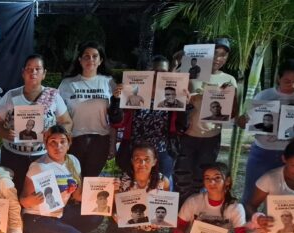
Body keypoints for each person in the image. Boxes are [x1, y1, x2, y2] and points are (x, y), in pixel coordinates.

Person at [237, 59, 294, 206]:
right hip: (262, 153)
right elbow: (242, 122)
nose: (292, 85)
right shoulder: (264, 95)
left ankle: (273, 227)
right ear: (278, 78)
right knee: (250, 195)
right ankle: (245, 226)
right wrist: (244, 121)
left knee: (280, 200)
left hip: (292, 157)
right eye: (287, 81)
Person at [19, 125, 102, 233]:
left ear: (69, 144)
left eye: (62, 141)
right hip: (38, 218)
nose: (58, 146)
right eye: (53, 142)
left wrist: (107, 190)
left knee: (96, 215)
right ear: (46, 144)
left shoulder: (73, 161)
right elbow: (23, 201)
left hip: (60, 213)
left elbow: (78, 196)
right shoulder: (38, 166)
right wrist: (33, 200)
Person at [0, 54, 73, 191]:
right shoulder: (11, 96)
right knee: (12, 195)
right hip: (13, 157)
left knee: (40, 195)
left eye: (37, 69)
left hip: (42, 158)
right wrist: (5, 133)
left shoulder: (53, 97)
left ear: (44, 73)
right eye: (29, 69)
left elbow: (67, 122)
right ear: (23, 73)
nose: (33, 72)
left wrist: (53, 136)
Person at [174, 38, 238, 204]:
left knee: (201, 181)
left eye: (223, 55)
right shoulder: (190, 75)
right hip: (186, 135)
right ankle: (178, 219)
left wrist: (229, 95)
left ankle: (195, 219)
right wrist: (184, 99)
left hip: (211, 138)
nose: (218, 58)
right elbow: (172, 98)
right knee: (181, 179)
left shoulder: (229, 80)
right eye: (215, 53)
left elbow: (232, 114)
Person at [113, 55, 187, 185]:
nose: (158, 75)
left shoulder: (173, 94)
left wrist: (185, 106)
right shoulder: (134, 91)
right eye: (155, 71)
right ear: (148, 71)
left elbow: (181, 127)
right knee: (132, 189)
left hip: (162, 152)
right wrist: (116, 100)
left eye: (163, 72)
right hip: (134, 152)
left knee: (161, 188)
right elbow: (117, 122)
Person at [58, 41, 122, 178]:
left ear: (100, 61)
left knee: (90, 182)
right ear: (80, 60)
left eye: (95, 56)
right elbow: (57, 114)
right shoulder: (67, 84)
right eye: (86, 56)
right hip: (73, 140)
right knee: (73, 182)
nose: (90, 60)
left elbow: (114, 116)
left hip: (99, 141)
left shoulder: (109, 82)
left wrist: (112, 144)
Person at [105, 143, 172, 233]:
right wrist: (114, 214)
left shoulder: (163, 182)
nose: (142, 163)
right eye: (137, 159)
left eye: (146, 159)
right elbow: (113, 208)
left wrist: (159, 222)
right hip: (122, 232)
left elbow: (165, 209)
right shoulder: (121, 181)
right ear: (132, 161)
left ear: (154, 161)